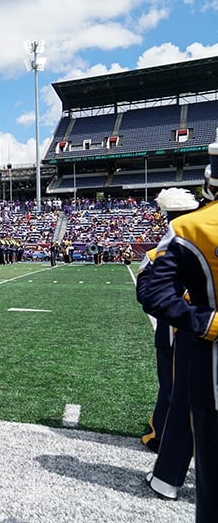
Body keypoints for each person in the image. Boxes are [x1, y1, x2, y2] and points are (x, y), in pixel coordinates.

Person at [141, 144, 218, 521]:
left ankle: (168, 474)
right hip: (191, 332)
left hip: (191, 334)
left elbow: (151, 289)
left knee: (181, 401)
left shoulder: (183, 234)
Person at [136, 187, 199, 500]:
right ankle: (160, 437)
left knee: (177, 390)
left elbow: (149, 294)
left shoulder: (165, 248)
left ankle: (161, 445)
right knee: (179, 390)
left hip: (183, 328)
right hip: (185, 329)